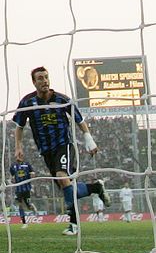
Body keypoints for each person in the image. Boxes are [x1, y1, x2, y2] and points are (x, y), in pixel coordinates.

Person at [13, 66, 111, 235]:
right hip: (46, 151)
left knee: (62, 176)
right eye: (40, 78)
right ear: (34, 82)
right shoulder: (27, 102)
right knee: (67, 188)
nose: (44, 81)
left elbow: (79, 119)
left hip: (64, 145)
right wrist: (18, 146)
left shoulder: (62, 99)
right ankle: (96, 188)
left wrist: (89, 139)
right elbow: (19, 126)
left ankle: (74, 224)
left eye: (46, 77)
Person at [9, 159, 38, 229]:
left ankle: (31, 206)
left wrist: (32, 174)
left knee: (28, 206)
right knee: (20, 205)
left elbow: (33, 173)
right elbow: (12, 176)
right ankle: (24, 223)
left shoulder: (27, 164)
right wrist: (12, 180)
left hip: (26, 189)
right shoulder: (13, 166)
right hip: (18, 189)